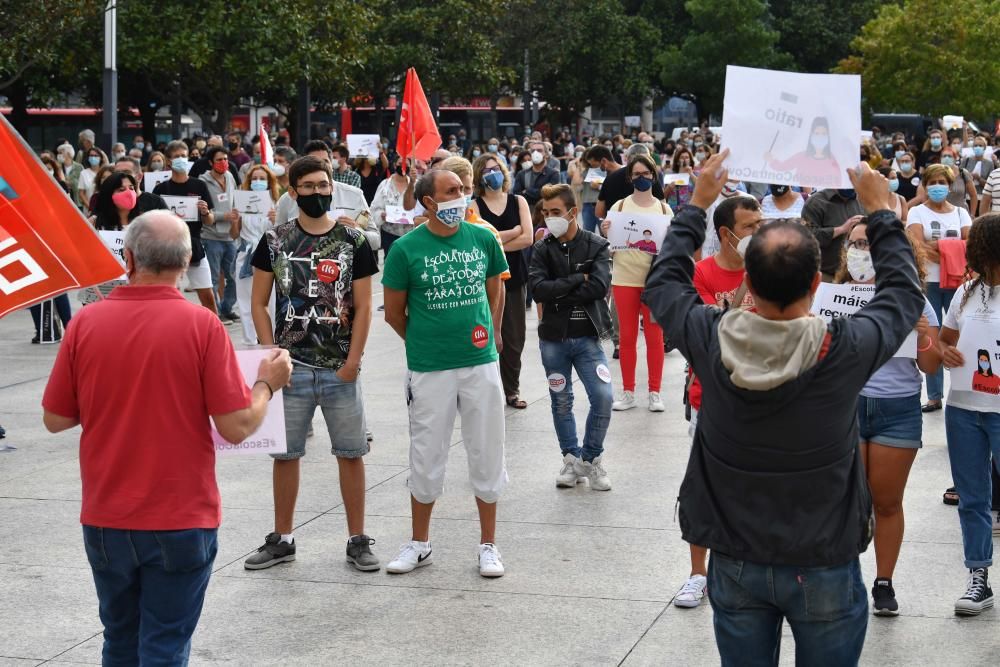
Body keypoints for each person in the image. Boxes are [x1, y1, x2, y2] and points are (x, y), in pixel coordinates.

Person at [643, 151, 924, 664]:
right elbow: (903, 294)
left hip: (736, 557)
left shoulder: (710, 338)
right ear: (816, 285)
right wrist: (882, 213)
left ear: (747, 282)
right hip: (823, 559)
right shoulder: (847, 348)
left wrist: (697, 204)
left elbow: (663, 284)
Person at [42, 210, 293, 665]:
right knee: (164, 644)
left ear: (130, 258)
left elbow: (56, 419)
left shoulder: (85, 323)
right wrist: (266, 384)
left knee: (119, 639)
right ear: (188, 259)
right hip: (180, 516)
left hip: (106, 516)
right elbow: (236, 426)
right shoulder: (201, 326)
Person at [246, 156, 380, 572]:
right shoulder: (275, 240)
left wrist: (353, 362)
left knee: (351, 452)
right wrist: (273, 356)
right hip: (291, 370)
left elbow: (363, 305)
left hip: (340, 367)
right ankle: (282, 538)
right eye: (309, 186)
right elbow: (258, 303)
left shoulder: (352, 240)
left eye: (324, 185)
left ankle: (357, 539)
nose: (319, 193)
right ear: (293, 191)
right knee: (285, 456)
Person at [381, 169, 510, 578]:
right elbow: (395, 312)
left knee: (487, 449)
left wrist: (493, 331)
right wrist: (423, 341)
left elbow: (496, 287)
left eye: (464, 189)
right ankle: (419, 542)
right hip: (429, 367)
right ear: (429, 201)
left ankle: (488, 545)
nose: (461, 196)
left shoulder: (484, 238)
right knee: (426, 453)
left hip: (480, 361)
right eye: (451, 191)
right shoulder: (405, 249)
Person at [836, 220, 941, 615]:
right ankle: (844, 577)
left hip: (897, 409)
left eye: (871, 242)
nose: (862, 250)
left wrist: (924, 332)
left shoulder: (913, 300)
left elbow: (930, 367)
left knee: (887, 502)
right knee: (845, 502)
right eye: (856, 243)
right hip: (847, 407)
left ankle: (883, 582)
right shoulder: (837, 296)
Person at [673, 196, 763, 609]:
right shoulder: (702, 274)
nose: (759, 234)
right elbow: (714, 332)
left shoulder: (777, 271)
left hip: (765, 400)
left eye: (762, 225)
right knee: (704, 490)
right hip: (711, 398)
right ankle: (698, 575)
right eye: (750, 228)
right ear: (727, 234)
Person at [529, 183, 614, 490]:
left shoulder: (596, 245)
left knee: (603, 398)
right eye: (545, 212)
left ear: (573, 212)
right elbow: (537, 290)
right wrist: (579, 278)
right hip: (553, 339)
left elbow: (599, 288)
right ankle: (570, 458)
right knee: (561, 401)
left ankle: (590, 460)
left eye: (555, 212)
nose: (549, 218)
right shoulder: (541, 248)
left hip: (588, 338)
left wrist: (559, 292)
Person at [939, 213, 1000, 615]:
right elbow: (945, 340)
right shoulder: (964, 294)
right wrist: (944, 352)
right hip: (963, 407)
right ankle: (979, 577)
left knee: (976, 500)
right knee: (973, 499)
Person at [599, 154, 671, 412]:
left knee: (655, 337)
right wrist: (606, 230)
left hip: (654, 282)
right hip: (624, 278)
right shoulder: (618, 207)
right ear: (630, 177)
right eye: (637, 174)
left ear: (654, 175)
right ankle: (628, 391)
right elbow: (610, 245)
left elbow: (672, 247)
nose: (642, 178)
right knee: (627, 337)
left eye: (646, 173)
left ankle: (655, 392)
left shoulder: (663, 209)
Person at [906, 164, 973, 412]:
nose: (937, 187)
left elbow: (969, 243)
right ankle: (934, 395)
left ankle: (964, 387)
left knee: (960, 336)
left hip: (958, 283)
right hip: (928, 282)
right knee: (931, 338)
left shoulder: (960, 212)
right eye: (932, 182)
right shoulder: (916, 212)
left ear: (949, 185)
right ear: (925, 185)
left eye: (941, 182)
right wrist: (951, 249)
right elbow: (918, 246)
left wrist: (939, 247)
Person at [471, 155, 534, 409]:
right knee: (483, 333)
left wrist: (495, 240)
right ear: (479, 176)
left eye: (496, 169)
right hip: (484, 279)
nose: (492, 174)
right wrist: (511, 233)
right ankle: (487, 389)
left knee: (514, 336)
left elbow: (528, 238)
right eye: (486, 171)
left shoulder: (518, 201)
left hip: (515, 277)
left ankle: (512, 389)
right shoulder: (474, 206)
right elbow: (478, 242)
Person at [273, 141, 380, 250]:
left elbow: (376, 241)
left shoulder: (355, 195)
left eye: (325, 161)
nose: (320, 166)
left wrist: (357, 231)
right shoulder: (287, 199)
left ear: (331, 164)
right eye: (314, 162)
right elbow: (276, 243)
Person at [153, 140, 219, 313]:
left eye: (183, 155)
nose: (181, 159)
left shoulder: (199, 185)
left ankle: (215, 331)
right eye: (176, 157)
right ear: (168, 161)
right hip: (168, 247)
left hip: (194, 245)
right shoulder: (161, 189)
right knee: (168, 297)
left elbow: (210, 220)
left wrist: (205, 212)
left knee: (208, 297)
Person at [230, 165, 279, 345]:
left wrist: (276, 220)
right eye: (254, 179)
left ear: (269, 182)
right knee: (244, 301)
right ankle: (249, 342)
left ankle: (270, 340)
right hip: (246, 255)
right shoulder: (241, 204)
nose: (258, 182)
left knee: (270, 300)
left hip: (268, 256)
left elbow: (282, 234)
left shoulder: (275, 203)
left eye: (262, 178)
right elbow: (234, 235)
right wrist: (235, 221)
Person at [199, 146, 241, 321]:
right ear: (210, 163)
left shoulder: (230, 176)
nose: (224, 162)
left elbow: (234, 201)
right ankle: (214, 313)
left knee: (233, 276)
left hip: (230, 236)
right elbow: (203, 211)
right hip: (211, 236)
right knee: (214, 278)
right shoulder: (202, 181)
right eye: (219, 160)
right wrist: (223, 216)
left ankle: (227, 307)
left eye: (225, 159)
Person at [801, 187, 865, 281]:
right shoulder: (816, 202)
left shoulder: (863, 200)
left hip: (858, 276)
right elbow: (806, 238)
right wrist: (841, 229)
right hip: (827, 276)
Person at [764, 117, 843, 188]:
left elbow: (839, 183)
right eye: (817, 133)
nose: (820, 136)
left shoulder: (833, 161)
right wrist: (771, 160)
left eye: (823, 134)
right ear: (811, 135)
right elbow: (782, 166)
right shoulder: (801, 157)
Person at [371, 154, 421, 263]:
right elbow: (374, 208)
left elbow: (422, 209)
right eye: (400, 164)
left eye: (406, 165)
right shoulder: (385, 185)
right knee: (391, 263)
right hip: (389, 234)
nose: (403, 167)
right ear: (394, 165)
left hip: (410, 234)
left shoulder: (416, 185)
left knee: (409, 263)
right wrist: (381, 215)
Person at [596, 144, 666, 219]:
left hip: (615, 225)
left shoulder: (610, 178)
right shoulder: (651, 178)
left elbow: (599, 212)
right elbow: (662, 209)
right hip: (646, 226)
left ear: (627, 158)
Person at [511, 140, 560, 208]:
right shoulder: (521, 174)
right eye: (533, 151)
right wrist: (539, 191)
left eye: (539, 150)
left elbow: (549, 194)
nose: (535, 153)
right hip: (527, 213)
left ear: (546, 154)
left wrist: (527, 191)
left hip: (545, 213)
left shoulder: (553, 174)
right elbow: (517, 196)